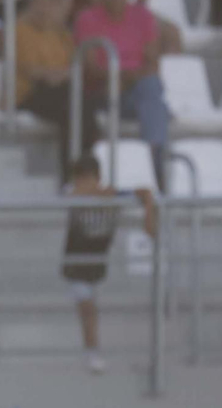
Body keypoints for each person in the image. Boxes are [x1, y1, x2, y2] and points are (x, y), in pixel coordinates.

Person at [61, 155, 157, 375]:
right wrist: (99, 193)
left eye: (89, 179)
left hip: (97, 263)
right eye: (80, 180)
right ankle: (92, 353)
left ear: (99, 177)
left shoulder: (113, 196)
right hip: (76, 265)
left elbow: (145, 192)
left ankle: (94, 351)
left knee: (91, 307)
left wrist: (149, 214)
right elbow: (69, 194)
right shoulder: (74, 194)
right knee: (88, 308)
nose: (84, 185)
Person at [75, 0, 170, 189]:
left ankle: (155, 154)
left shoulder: (143, 17)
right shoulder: (87, 19)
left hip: (134, 89)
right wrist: (119, 76)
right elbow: (89, 69)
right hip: (102, 91)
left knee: (151, 87)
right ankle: (156, 163)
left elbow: (152, 63)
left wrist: (126, 77)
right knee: (154, 100)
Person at [16, 0, 99, 179]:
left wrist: (61, 74)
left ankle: (83, 172)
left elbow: (73, 65)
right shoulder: (19, 30)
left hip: (61, 90)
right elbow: (28, 69)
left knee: (84, 109)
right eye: (42, 2)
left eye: (51, 3)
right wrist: (54, 74)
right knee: (73, 110)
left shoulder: (60, 33)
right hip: (30, 93)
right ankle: (72, 175)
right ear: (32, 3)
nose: (46, 8)